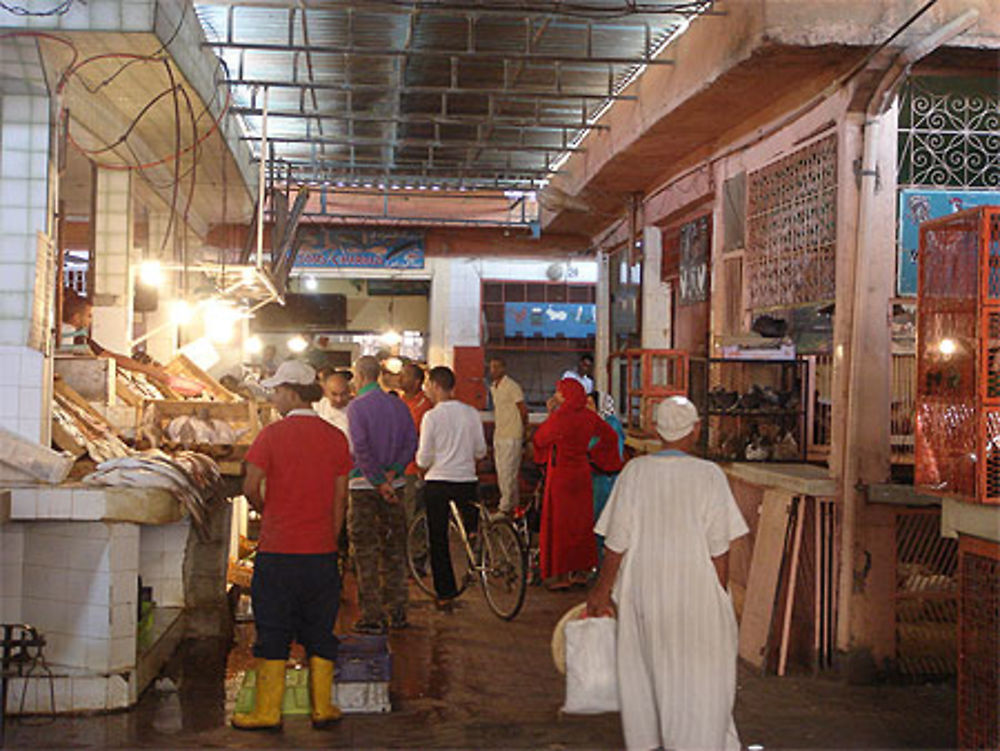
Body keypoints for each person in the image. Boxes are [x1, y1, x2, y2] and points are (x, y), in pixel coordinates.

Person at [586, 396, 749, 751]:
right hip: (696, 593)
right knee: (699, 675)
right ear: (695, 430)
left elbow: (616, 542)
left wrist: (601, 591)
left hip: (643, 593)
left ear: (656, 430)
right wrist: (719, 597)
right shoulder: (710, 476)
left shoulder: (635, 473)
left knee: (645, 673)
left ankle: (651, 741)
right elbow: (719, 550)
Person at [235, 360, 352, 731]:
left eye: (276, 390)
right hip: (320, 554)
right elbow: (341, 499)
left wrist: (267, 511)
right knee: (320, 629)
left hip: (278, 551)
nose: (273, 396)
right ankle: (323, 708)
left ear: (291, 392)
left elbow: (250, 485)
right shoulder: (336, 438)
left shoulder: (271, 436)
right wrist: (328, 540)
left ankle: (268, 712)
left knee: (272, 629)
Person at [346, 355, 418, 634]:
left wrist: (376, 480)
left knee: (365, 552)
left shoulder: (356, 408)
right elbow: (412, 441)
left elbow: (361, 448)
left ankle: (372, 616)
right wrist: (393, 473)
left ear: (359, 376)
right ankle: (398, 612)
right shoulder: (398, 405)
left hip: (364, 488)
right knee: (395, 550)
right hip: (396, 486)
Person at [532, 378, 622, 590]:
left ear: (567, 394)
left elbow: (540, 439)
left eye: (560, 392)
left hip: (561, 474)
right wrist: (594, 456)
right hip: (582, 473)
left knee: (561, 525)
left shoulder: (560, 417)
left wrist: (551, 413)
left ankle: (562, 578)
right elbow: (609, 437)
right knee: (581, 524)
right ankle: (581, 573)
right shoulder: (589, 417)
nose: (558, 396)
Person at [415, 366, 487, 606]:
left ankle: (445, 593)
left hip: (439, 482)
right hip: (467, 481)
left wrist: (425, 463)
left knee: (438, 538)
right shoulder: (471, 413)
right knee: (469, 528)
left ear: (435, 385)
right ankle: (476, 550)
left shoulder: (432, 417)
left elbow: (423, 459)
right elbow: (481, 450)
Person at [59, 289, 194, 390]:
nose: (91, 320)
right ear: (76, 318)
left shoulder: (79, 339)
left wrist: (148, 370)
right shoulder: (75, 339)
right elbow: (112, 357)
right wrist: (149, 371)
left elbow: (111, 356)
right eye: (89, 315)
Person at [587, 391, 626, 560]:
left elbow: (611, 454)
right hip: (596, 476)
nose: (587, 408)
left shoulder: (611, 425)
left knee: (603, 521)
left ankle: (604, 566)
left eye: (590, 404)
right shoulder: (595, 423)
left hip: (606, 479)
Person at [488, 357, 528, 516]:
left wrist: (525, 431)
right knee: (503, 472)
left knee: (508, 472)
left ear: (504, 368)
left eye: (497, 367)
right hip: (499, 434)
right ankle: (513, 504)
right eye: (491, 367)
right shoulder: (493, 387)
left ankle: (504, 507)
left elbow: (523, 410)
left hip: (512, 434)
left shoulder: (512, 386)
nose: (493, 370)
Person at [399, 362, 433, 524]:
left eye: (405, 376)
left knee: (411, 514)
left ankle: (415, 548)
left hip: (413, 469)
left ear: (417, 381)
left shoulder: (425, 406)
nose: (400, 379)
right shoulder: (399, 401)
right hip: (395, 469)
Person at [314, 368, 352, 438]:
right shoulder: (317, 408)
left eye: (343, 394)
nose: (339, 399)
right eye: (334, 394)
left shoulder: (356, 410)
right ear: (326, 392)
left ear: (349, 391)